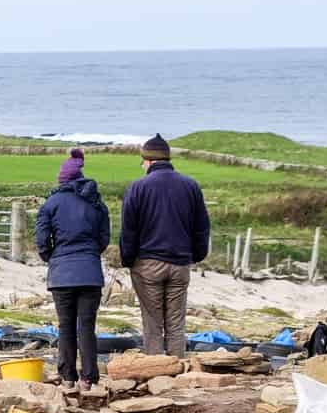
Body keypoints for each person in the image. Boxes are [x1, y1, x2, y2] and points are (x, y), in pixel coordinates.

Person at [120, 133, 211, 356]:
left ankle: (157, 369)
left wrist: (127, 259)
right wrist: (196, 255)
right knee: (176, 321)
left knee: (152, 321)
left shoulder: (138, 187)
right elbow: (201, 226)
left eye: (142, 161)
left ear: (149, 160)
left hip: (148, 263)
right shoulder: (190, 186)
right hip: (180, 263)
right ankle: (177, 366)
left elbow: (129, 229)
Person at [35, 148, 109, 395]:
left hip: (62, 274)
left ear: (63, 179)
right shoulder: (97, 203)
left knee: (65, 326)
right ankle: (88, 379)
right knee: (87, 326)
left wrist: (52, 258)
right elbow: (103, 239)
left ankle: (67, 377)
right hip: (90, 271)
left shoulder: (51, 203)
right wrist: (89, 254)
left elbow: (42, 240)